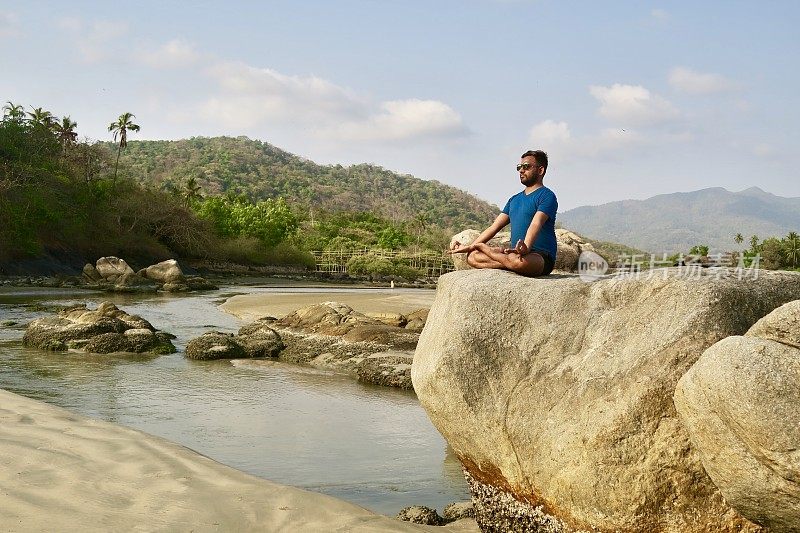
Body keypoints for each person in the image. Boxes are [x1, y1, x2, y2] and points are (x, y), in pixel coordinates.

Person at [448, 150, 557, 277]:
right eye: (519, 167)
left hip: (540, 256)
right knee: (472, 257)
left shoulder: (547, 195)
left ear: (540, 170)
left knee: (519, 262)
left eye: (526, 167)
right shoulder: (514, 200)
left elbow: (536, 223)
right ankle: (507, 262)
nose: (521, 170)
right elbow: (494, 227)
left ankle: (497, 255)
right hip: (514, 255)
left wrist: (526, 247)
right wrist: (470, 247)